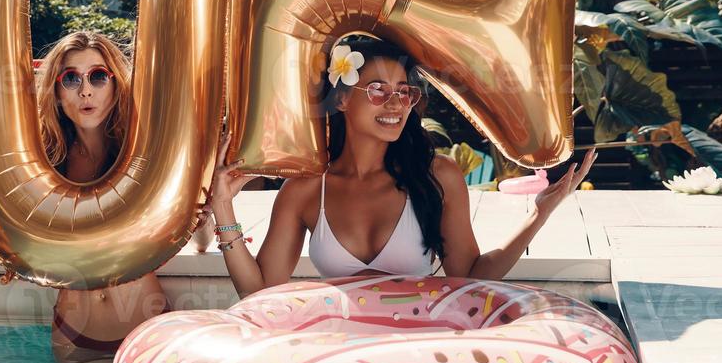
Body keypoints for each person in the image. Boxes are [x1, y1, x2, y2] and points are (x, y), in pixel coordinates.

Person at [207, 35, 596, 297]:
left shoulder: (436, 176)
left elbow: (470, 276)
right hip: (344, 354)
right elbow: (259, 293)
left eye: (404, 92)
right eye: (378, 90)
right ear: (341, 100)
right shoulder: (306, 190)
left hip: (418, 353)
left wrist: (539, 215)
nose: (396, 104)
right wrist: (222, 206)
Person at [0, 31, 172, 354]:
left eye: (98, 76)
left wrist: (214, 204)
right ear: (56, 92)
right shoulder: (44, 166)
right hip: (73, 334)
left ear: (116, 85)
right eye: (71, 79)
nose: (86, 91)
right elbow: (31, 255)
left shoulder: (142, 155)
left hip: (144, 330)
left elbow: (192, 238)